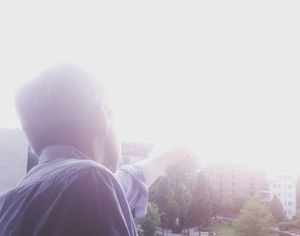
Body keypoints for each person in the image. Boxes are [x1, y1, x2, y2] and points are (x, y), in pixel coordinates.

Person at [0, 64, 191, 236]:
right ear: (102, 115)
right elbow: (97, 181)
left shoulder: (9, 204)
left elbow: (131, 178)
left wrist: (172, 153)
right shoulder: (90, 180)